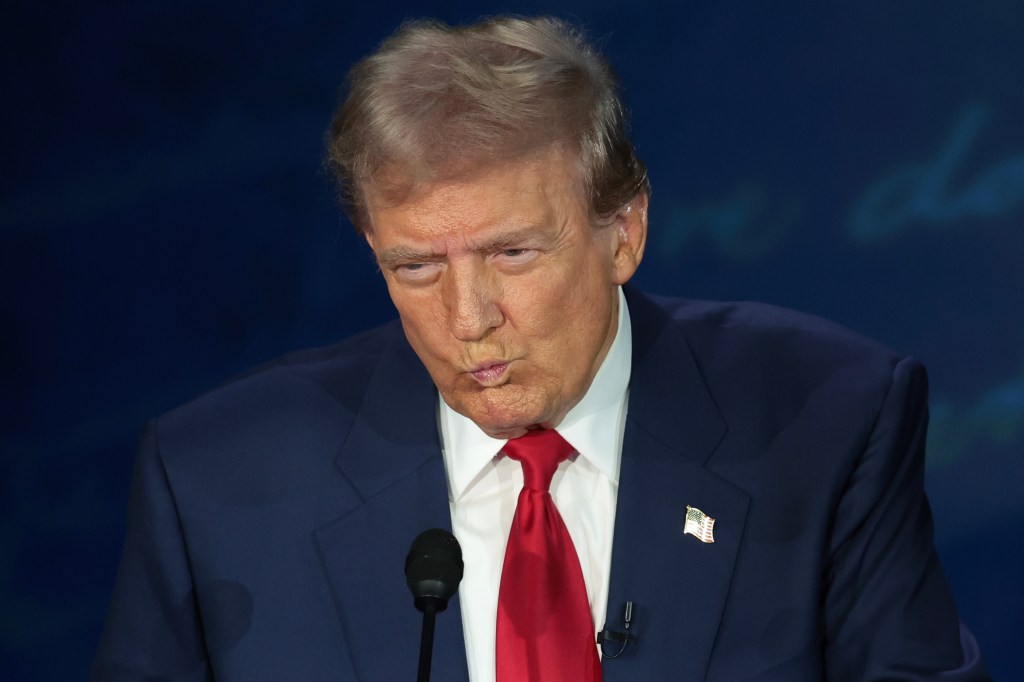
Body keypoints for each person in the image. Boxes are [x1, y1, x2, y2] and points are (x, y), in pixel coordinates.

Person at [93, 15, 989, 681]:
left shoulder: (828, 422)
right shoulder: (214, 483)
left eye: (512, 254)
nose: (468, 316)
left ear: (622, 232)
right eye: (415, 267)